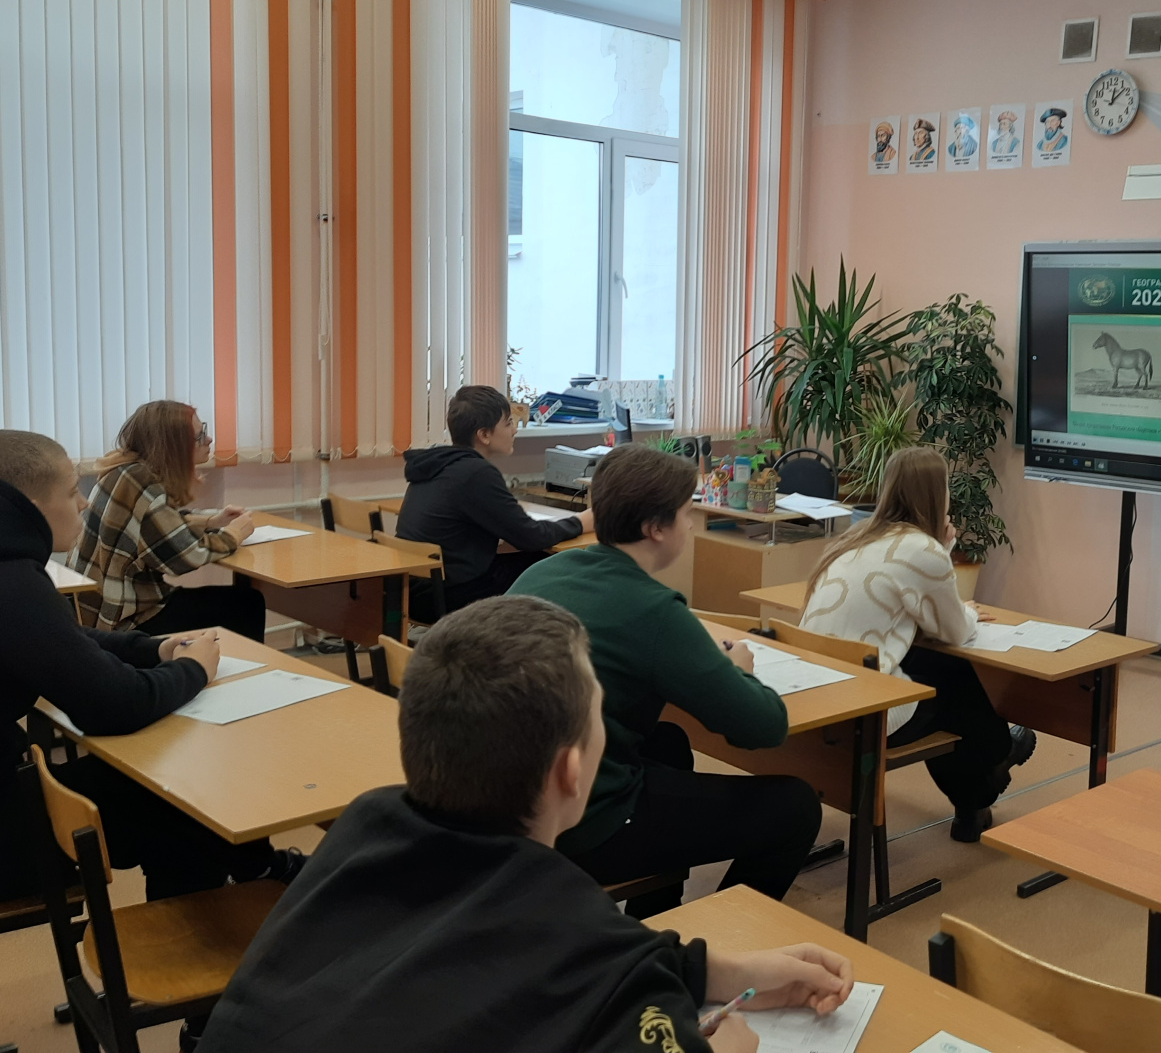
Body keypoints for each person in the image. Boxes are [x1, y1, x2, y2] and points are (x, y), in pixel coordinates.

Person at [199, 595, 855, 1053]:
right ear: (572, 772)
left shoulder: (368, 826)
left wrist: (722, 970)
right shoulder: (560, 911)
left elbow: (574, 958)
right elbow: (592, 962)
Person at [508, 443, 820, 917]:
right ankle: (717, 937)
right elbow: (764, 727)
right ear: (656, 528)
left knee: (668, 742)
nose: (690, 526)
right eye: (686, 514)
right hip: (584, 823)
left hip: (516, 800)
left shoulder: (544, 571)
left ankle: (655, 913)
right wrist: (740, 671)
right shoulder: (653, 608)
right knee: (796, 807)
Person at [0, 430, 297, 902]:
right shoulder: (12, 581)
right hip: (8, 838)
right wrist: (193, 670)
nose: (83, 503)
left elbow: (63, 638)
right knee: (180, 787)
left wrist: (153, 650)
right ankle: (250, 887)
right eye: (72, 491)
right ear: (31, 506)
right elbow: (116, 705)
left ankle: (255, 874)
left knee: (163, 796)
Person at [800, 447, 1035, 843]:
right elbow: (956, 631)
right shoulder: (922, 549)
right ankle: (992, 765)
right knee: (957, 686)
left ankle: (980, 790)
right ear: (936, 495)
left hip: (817, 692)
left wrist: (939, 554)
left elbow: (913, 604)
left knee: (938, 672)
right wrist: (955, 579)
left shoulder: (857, 538)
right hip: (860, 711)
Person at [72, 401, 266, 641]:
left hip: (98, 609)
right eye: (199, 436)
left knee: (235, 601)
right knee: (247, 603)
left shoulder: (124, 471)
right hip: (124, 619)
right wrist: (234, 534)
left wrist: (211, 521)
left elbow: (155, 525)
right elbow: (186, 556)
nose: (209, 439)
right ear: (174, 446)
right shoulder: (146, 485)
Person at [397, 386, 593, 619]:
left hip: (411, 589)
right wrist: (581, 521)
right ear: (484, 435)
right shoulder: (476, 473)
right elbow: (532, 537)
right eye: (508, 423)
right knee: (557, 566)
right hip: (446, 596)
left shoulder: (436, 464)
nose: (515, 430)